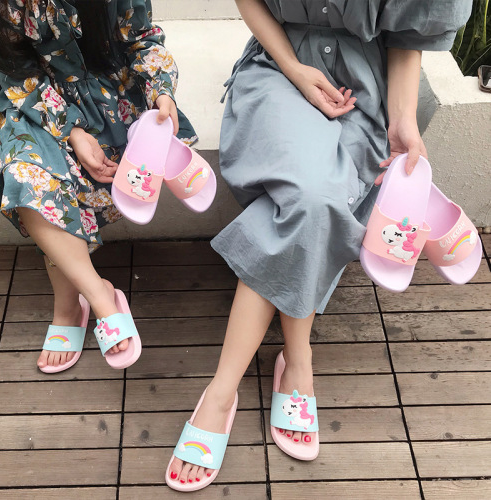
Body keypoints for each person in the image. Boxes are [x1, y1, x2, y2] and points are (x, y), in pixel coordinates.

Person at [167, 0, 471, 489]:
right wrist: (293, 68)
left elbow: (408, 34)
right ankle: (290, 366)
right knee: (311, 200)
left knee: (312, 205)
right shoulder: (283, 64)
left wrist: (402, 122)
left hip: (367, 88)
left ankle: (227, 391)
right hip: (279, 67)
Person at [0, 0, 196, 370]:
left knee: (67, 180)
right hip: (34, 101)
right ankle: (98, 297)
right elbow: (15, 72)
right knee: (26, 174)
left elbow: (141, 39)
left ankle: (70, 305)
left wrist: (162, 90)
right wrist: (70, 131)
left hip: (106, 93)